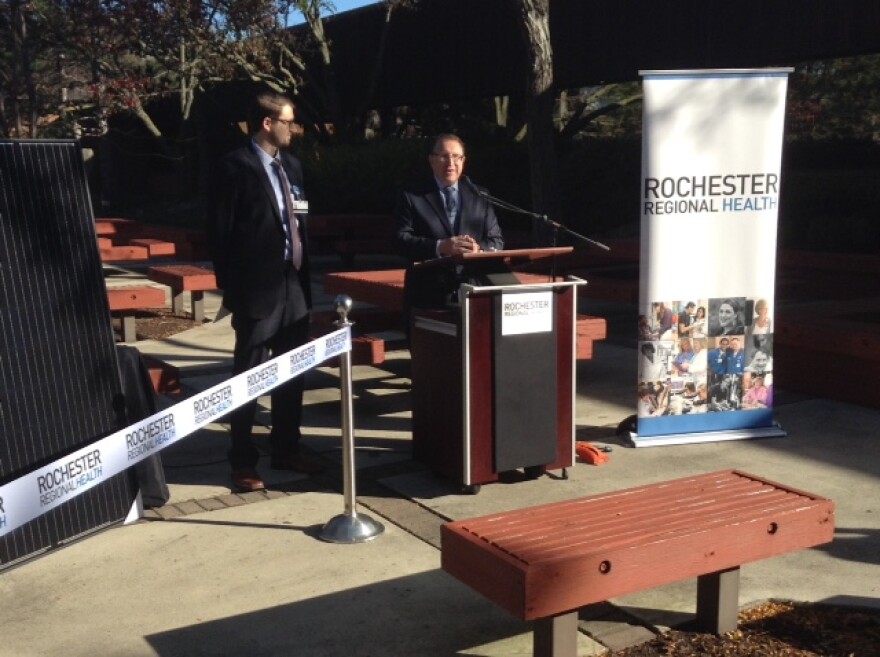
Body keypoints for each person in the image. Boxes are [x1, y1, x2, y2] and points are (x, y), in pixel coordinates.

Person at [208, 90, 323, 493]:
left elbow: (301, 214)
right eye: (289, 121)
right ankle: (242, 460)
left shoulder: (292, 166)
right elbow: (219, 235)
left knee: (292, 371)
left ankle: (287, 447)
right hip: (257, 291)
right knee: (250, 376)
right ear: (268, 123)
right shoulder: (233, 168)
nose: (295, 129)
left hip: (295, 284)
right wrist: (235, 289)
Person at [393, 133, 504, 311]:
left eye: (456, 157)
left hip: (473, 293)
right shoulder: (412, 196)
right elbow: (399, 240)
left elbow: (496, 240)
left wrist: (478, 249)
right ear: (431, 160)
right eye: (444, 156)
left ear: (464, 160)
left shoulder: (479, 195)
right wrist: (440, 246)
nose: (451, 163)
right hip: (428, 295)